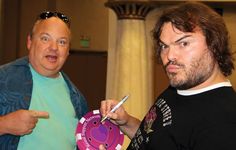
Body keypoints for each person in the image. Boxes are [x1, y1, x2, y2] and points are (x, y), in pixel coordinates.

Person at [99, 2, 236, 150]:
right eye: (164, 46)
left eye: (183, 43)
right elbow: (157, 138)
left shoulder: (224, 123)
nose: (169, 56)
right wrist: (125, 121)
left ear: (214, 45)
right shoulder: (181, 85)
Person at [0, 11, 88, 149]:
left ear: (68, 51)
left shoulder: (78, 100)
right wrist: (4, 124)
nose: (54, 48)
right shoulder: (3, 79)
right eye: (45, 39)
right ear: (29, 42)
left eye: (62, 42)